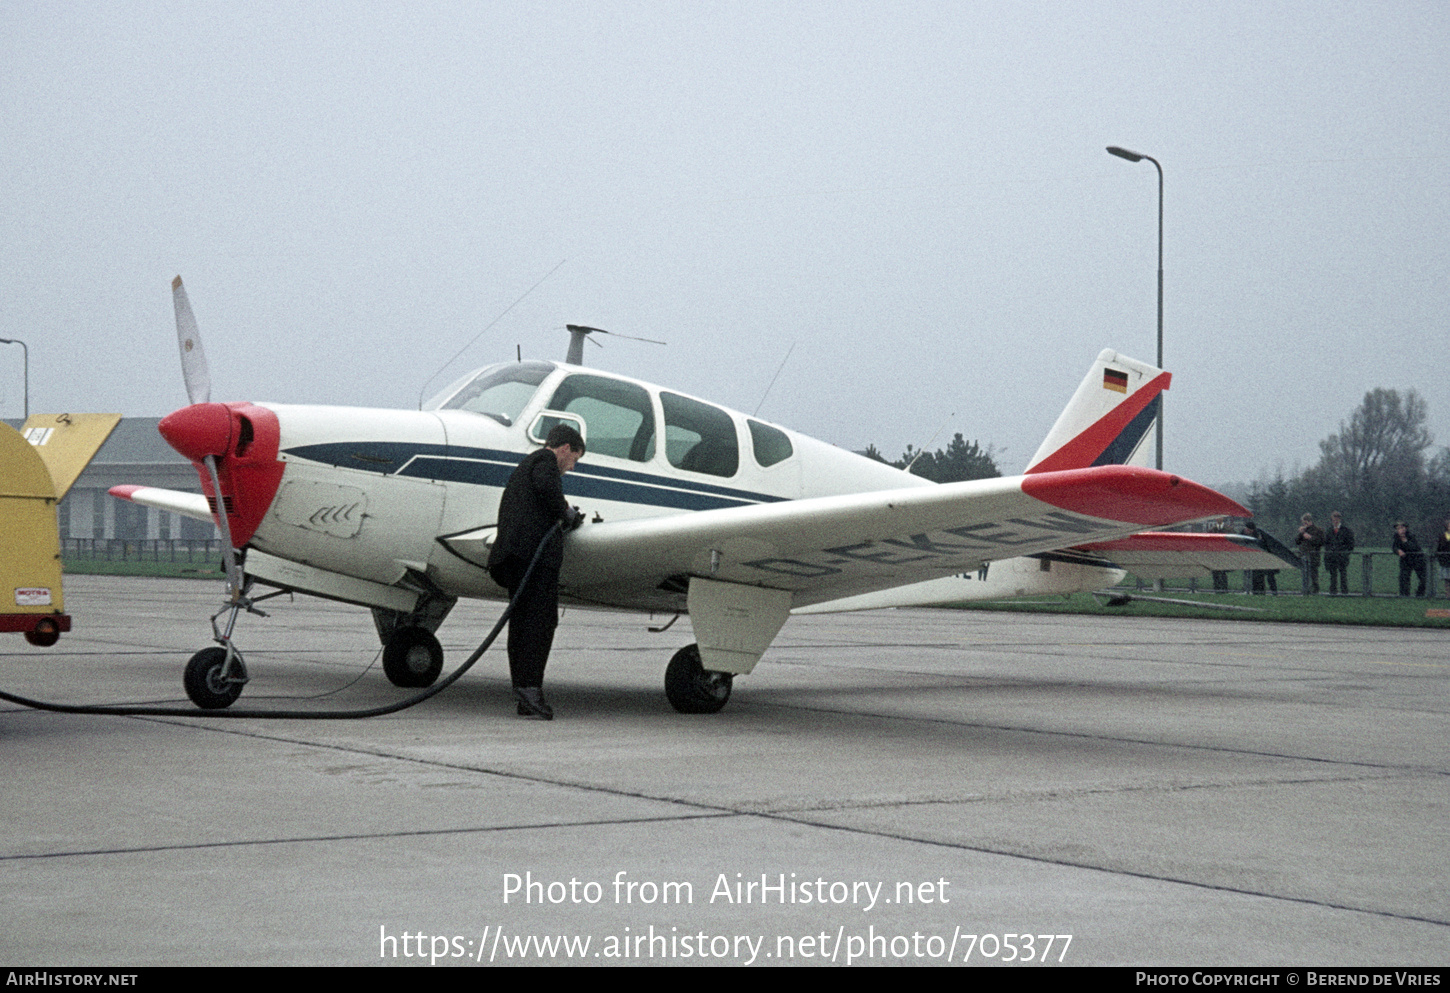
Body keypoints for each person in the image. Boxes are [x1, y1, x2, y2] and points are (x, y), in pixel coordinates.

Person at [487, 424, 586, 719]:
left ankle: (524, 691)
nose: (572, 467)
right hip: (532, 558)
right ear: (565, 448)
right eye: (575, 459)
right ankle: (530, 690)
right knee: (540, 623)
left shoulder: (526, 465)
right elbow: (546, 486)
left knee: (521, 623)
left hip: (515, 557)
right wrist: (566, 513)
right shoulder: (544, 461)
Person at [1323, 511, 1355, 595]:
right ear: (1332, 520)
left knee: (1343, 574)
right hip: (1332, 557)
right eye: (1334, 519)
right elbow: (1326, 544)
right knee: (1333, 575)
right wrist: (1330, 552)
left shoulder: (1346, 531)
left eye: (1337, 519)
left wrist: (1344, 552)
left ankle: (1344, 591)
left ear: (1340, 520)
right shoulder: (1329, 530)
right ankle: (1333, 591)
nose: (1335, 521)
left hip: (1342, 557)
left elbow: (1351, 544)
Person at [1392, 522, 1427, 598]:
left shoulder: (1411, 536)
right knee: (1404, 578)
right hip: (1405, 561)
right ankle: (1404, 595)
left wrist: (1405, 541)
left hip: (1418, 559)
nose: (1400, 530)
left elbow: (1413, 548)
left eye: (1402, 528)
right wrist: (1398, 551)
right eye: (1398, 528)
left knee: (1423, 579)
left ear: (1405, 528)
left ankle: (1420, 595)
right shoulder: (1396, 538)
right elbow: (1394, 547)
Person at [1243, 520, 1278, 594]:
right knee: (1256, 575)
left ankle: (1273, 592)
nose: (1245, 530)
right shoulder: (1244, 534)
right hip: (1257, 559)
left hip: (1267, 558)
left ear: (1251, 530)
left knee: (1270, 576)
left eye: (1247, 529)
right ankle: (1257, 591)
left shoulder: (1259, 534)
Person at [1295, 513, 1325, 595]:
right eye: (1303, 523)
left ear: (1310, 521)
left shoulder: (1318, 530)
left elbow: (1321, 542)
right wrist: (1301, 533)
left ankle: (1315, 590)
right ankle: (1305, 590)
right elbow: (1297, 541)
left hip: (1313, 556)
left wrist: (1310, 538)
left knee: (1314, 574)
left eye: (1305, 522)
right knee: (1304, 574)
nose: (1304, 524)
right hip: (1303, 555)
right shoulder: (1303, 530)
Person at [1437, 517, 1450, 599]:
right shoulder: (1443, 537)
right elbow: (1440, 549)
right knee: (1447, 580)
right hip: (1446, 562)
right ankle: (1448, 595)